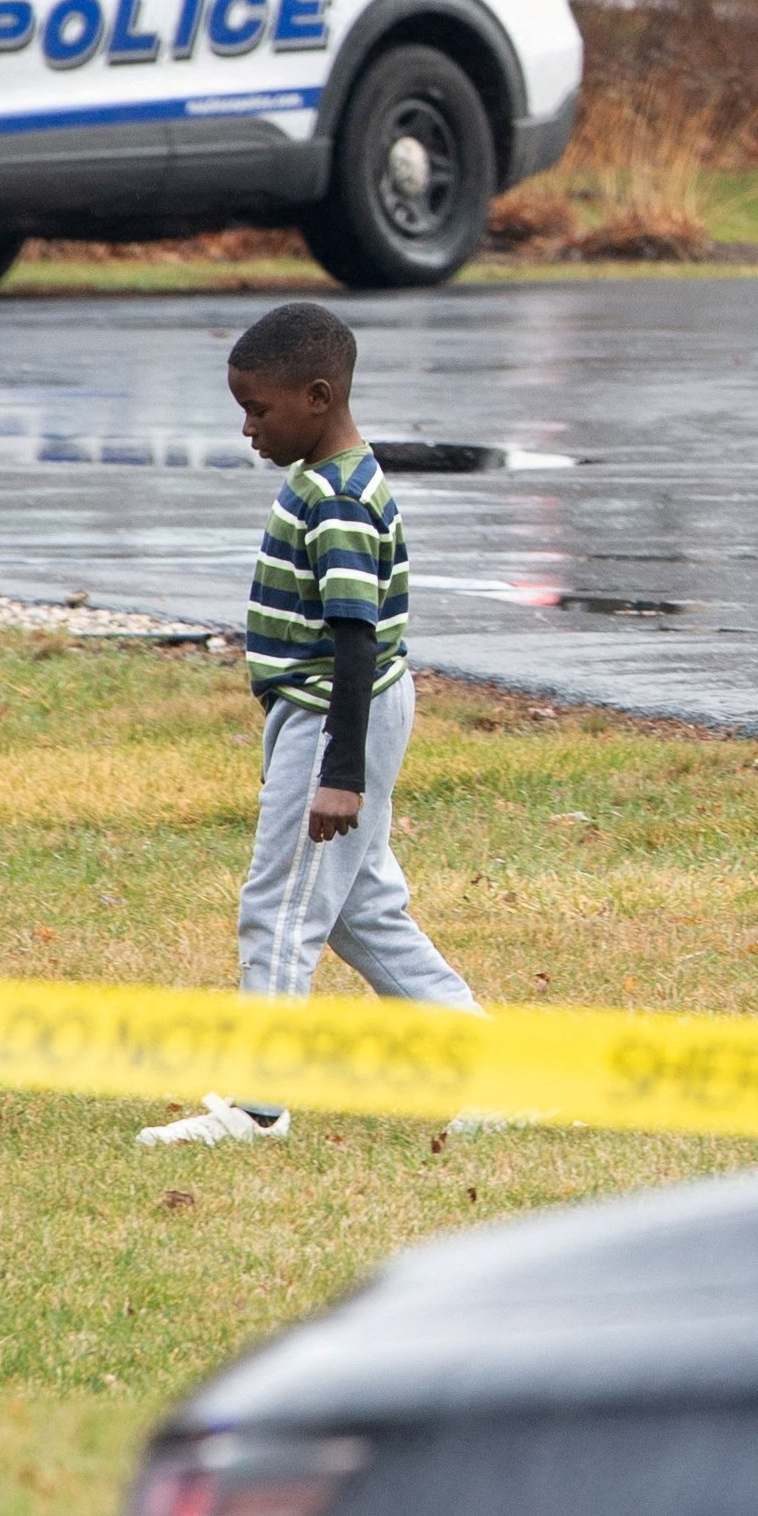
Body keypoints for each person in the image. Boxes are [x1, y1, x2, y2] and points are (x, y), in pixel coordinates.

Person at [142, 303, 487, 1150]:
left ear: (319, 396)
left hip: (337, 715)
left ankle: (259, 1106)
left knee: (280, 907)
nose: (249, 428)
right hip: (327, 714)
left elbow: (355, 638)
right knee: (359, 910)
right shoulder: (327, 483)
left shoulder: (337, 499)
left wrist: (340, 771)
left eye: (259, 410)